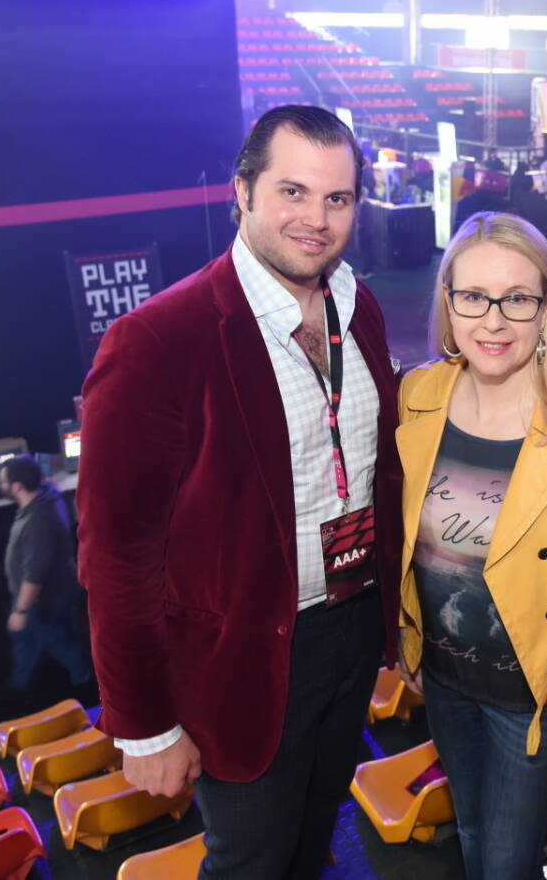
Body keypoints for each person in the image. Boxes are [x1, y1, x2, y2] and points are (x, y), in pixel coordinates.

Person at [77, 105, 404, 880]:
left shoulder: (363, 311)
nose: (315, 220)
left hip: (350, 632)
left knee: (314, 835)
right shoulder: (158, 340)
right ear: (242, 193)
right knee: (250, 861)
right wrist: (145, 725)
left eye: (338, 199)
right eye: (293, 192)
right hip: (243, 657)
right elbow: (117, 555)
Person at [397, 211, 547, 880]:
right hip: (445, 676)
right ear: (449, 303)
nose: (494, 320)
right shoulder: (417, 395)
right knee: (471, 825)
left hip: (534, 693)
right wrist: (409, 642)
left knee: (507, 859)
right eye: (473, 296)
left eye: (517, 298)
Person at [0, 454, 92, 691]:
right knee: (30, 641)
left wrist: (21, 610)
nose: (1, 487)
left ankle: (86, 685)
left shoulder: (37, 521)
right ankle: (19, 686)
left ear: (17, 487)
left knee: (58, 642)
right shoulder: (47, 496)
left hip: (43, 599)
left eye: (3, 483)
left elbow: (35, 572)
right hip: (57, 592)